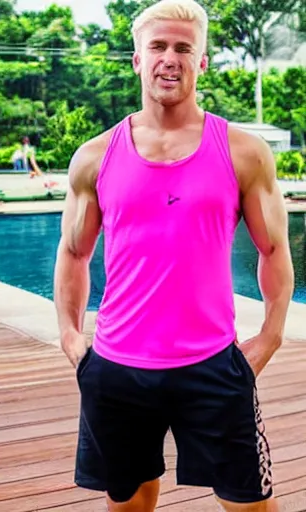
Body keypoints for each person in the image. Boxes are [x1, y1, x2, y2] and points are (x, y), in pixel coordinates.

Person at [53, 1, 295, 511]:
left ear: (201, 61)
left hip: (211, 363)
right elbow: (74, 253)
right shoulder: (95, 157)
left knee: (252, 504)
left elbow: (274, 249)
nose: (170, 58)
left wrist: (270, 337)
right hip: (117, 368)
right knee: (130, 503)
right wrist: (72, 337)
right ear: (137, 59)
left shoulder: (244, 152)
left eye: (184, 48)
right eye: (158, 46)